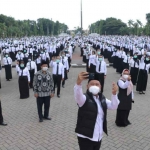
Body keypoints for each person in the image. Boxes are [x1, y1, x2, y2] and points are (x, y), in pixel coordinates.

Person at [74, 72, 119, 150]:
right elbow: (78, 96)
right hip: (86, 137)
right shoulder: (84, 98)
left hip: (98, 137)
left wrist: (114, 94)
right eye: (92, 84)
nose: (95, 86)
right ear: (87, 86)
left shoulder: (102, 99)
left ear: (100, 87)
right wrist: (78, 84)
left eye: (97, 84)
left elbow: (114, 106)